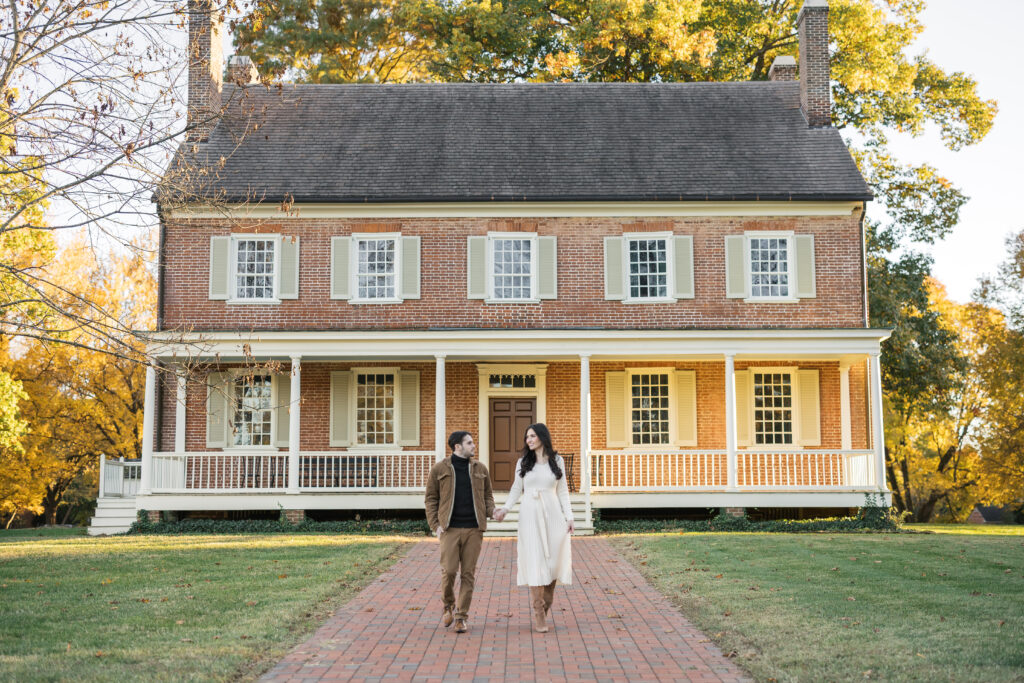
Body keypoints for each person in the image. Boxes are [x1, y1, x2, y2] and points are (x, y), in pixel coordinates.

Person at [492, 423, 573, 633]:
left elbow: (563, 491)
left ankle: (547, 601)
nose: (529, 440)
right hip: (530, 514)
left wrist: (569, 517)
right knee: (536, 559)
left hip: (553, 513)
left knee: (554, 560)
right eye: (527, 437)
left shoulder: (557, 461)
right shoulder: (523, 462)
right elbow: (516, 489)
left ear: (542, 437)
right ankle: (539, 613)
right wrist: (505, 509)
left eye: (532, 436)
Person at [424, 431, 495, 634]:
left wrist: (492, 512)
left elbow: (488, 496)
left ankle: (461, 617)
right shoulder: (440, 469)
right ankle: (448, 604)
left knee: (468, 574)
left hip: (474, 529)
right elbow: (430, 499)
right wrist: (435, 525)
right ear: (457, 447)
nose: (474, 446)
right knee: (449, 571)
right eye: (469, 443)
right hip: (450, 529)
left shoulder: (480, 468)